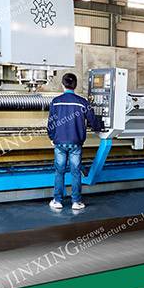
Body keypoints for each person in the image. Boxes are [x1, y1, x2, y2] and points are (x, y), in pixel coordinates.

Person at [47, 72, 100, 211]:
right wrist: (99, 128)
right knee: (75, 172)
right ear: (75, 85)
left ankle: (57, 201)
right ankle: (76, 202)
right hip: (76, 142)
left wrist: (52, 137)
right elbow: (92, 120)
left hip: (59, 142)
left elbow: (51, 122)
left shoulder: (56, 101)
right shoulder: (82, 102)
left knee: (59, 172)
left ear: (62, 85)